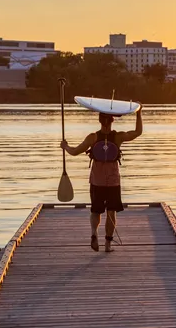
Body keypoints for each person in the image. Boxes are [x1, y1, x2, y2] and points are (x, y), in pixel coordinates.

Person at [60, 106, 143, 252]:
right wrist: (138, 113)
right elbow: (137, 132)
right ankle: (108, 244)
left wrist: (65, 146)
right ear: (112, 121)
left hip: (96, 181)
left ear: (99, 121)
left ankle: (93, 233)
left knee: (95, 211)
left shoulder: (92, 137)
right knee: (112, 212)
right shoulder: (118, 137)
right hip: (113, 182)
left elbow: (74, 152)